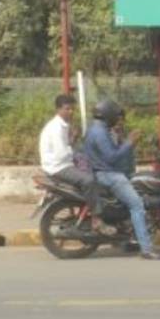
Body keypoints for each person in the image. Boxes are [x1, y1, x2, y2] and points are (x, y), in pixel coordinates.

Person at [84, 99, 160, 260]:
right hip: (109, 175)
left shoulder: (95, 129)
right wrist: (129, 142)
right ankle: (147, 249)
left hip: (105, 173)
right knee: (137, 205)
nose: (118, 120)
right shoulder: (101, 132)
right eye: (115, 116)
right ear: (108, 115)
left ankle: (130, 238)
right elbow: (112, 157)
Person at [39, 94, 108, 232]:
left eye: (72, 109)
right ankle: (96, 218)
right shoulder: (56, 128)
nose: (70, 112)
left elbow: (66, 148)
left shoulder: (63, 126)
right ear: (58, 109)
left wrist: (73, 141)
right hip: (58, 167)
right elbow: (62, 154)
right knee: (88, 180)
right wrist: (75, 152)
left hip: (62, 163)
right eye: (67, 109)